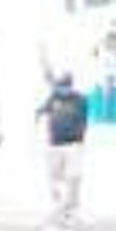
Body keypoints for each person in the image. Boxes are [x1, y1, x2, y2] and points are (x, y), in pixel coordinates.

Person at [37, 73, 90, 221]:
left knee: (74, 176)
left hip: (73, 144)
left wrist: (80, 137)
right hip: (54, 144)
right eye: (61, 87)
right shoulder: (53, 97)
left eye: (66, 86)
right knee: (54, 177)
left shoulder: (80, 100)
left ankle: (71, 208)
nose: (63, 90)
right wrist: (38, 114)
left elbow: (83, 120)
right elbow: (42, 110)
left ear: (71, 86)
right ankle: (58, 205)